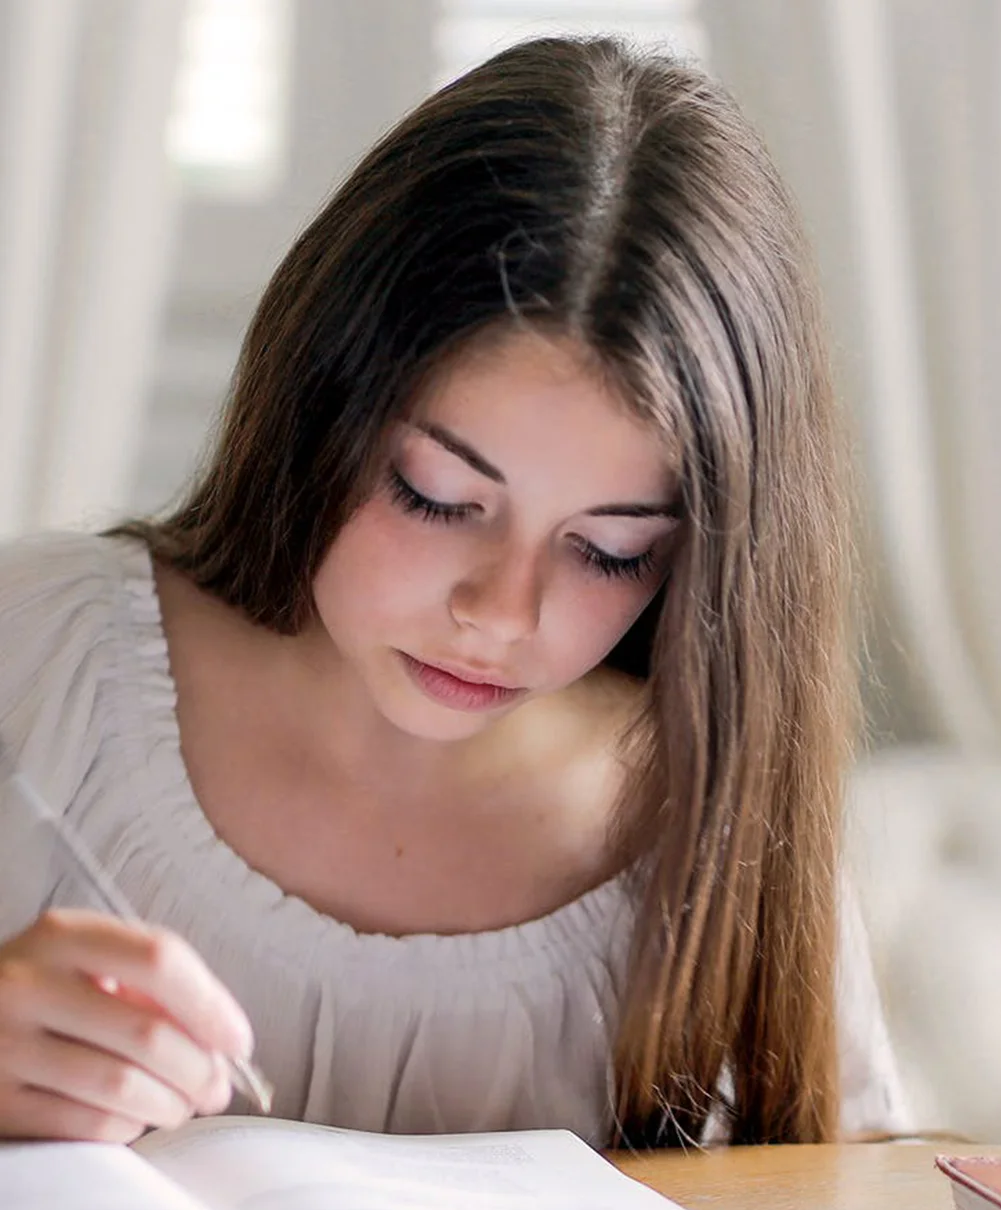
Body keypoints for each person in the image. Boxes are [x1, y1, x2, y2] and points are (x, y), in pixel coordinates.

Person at [0, 35, 909, 1151]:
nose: (502, 612)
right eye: (435, 496)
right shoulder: (36, 664)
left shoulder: (716, 815)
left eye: (611, 550)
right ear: (319, 406)